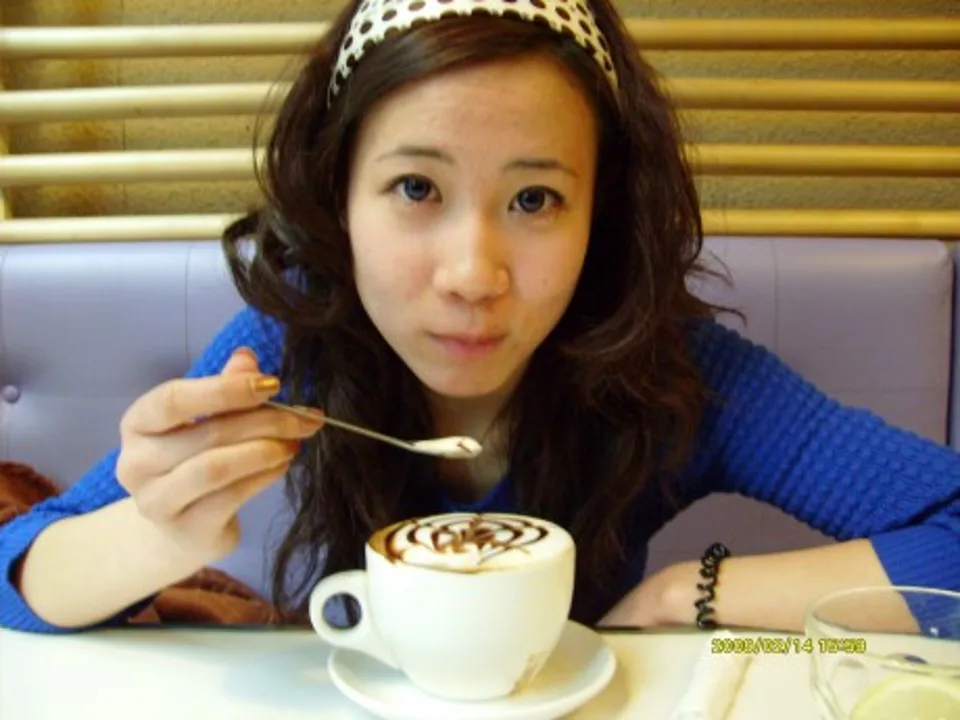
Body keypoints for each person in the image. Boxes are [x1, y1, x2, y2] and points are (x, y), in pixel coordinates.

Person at [1, 0, 958, 636]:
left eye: (535, 200)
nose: (473, 276)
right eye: (416, 187)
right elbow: (18, 577)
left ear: (598, 215)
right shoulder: (291, 350)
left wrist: (686, 593)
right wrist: (160, 535)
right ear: (340, 201)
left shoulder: (676, 374)